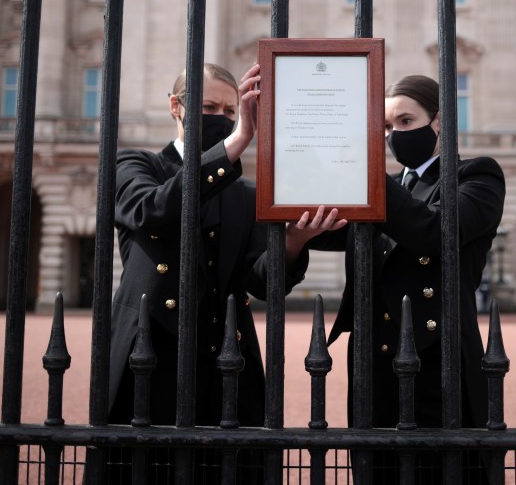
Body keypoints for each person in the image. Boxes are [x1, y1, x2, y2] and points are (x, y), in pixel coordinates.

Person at [107, 62, 343, 483]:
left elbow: (261, 281)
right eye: (209, 106)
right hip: (150, 352)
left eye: (231, 111)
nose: (221, 117)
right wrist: (237, 143)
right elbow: (151, 212)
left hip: (225, 359)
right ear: (177, 106)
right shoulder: (134, 165)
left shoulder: (246, 193)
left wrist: (291, 242)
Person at [307, 74, 506, 484]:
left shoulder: (477, 176)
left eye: (404, 121)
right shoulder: (389, 187)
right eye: (384, 127)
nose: (393, 134)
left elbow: (434, 233)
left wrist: (366, 171)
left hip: (438, 361)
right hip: (374, 366)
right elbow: (326, 227)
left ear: (439, 123)